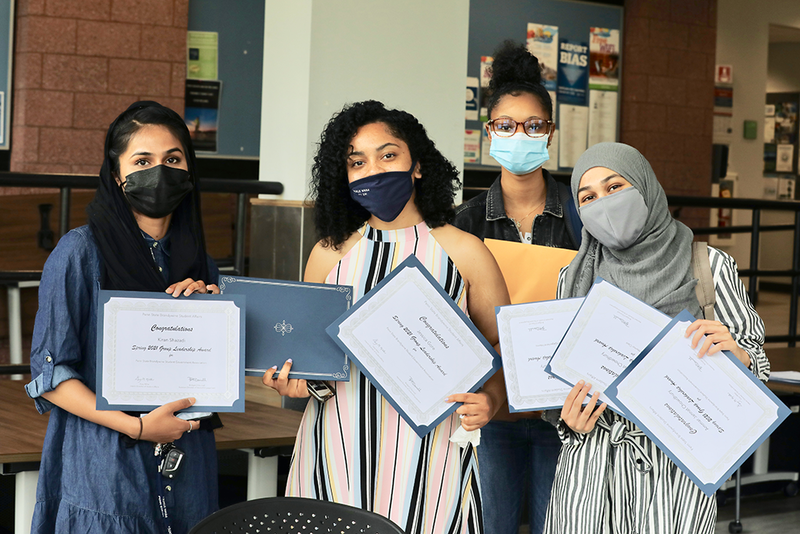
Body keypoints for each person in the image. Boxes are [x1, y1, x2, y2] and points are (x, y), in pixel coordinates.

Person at [262, 100, 510, 534]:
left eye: (388, 154)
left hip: (432, 450)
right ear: (346, 177)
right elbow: (309, 358)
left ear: (417, 164)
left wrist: (492, 399)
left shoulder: (465, 251)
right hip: (336, 443)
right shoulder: (328, 254)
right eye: (358, 162)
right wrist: (293, 381)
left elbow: (500, 349)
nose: (373, 170)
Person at [544, 142, 770, 534]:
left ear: (645, 185)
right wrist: (568, 421)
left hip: (677, 467)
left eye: (615, 187)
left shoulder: (708, 264)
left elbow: (757, 362)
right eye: (588, 197)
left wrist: (741, 356)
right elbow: (558, 383)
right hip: (592, 464)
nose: (604, 203)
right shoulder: (573, 276)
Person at [25, 101, 221, 533]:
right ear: (118, 175)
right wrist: (136, 427)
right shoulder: (79, 253)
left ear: (189, 170)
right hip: (104, 465)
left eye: (173, 159)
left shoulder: (201, 263)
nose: (160, 171)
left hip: (188, 465)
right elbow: (51, 375)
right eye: (142, 161)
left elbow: (219, 380)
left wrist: (213, 317)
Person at [452, 40, 578, 534]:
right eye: (506, 126)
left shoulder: (581, 215)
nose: (519, 136)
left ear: (550, 132)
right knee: (491, 524)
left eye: (533, 126)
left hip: (564, 411)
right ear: (489, 134)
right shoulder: (463, 223)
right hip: (492, 409)